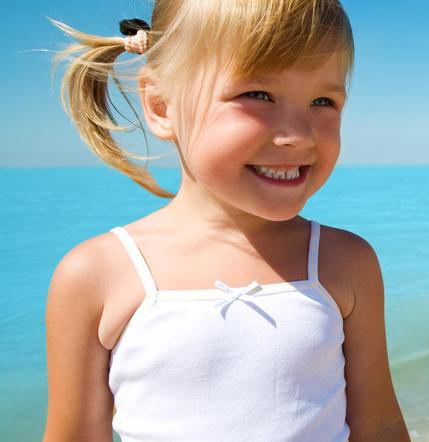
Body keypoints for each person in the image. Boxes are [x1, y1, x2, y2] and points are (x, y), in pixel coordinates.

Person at [42, 1, 409, 441]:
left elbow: (381, 426)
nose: (299, 135)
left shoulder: (345, 263)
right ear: (161, 106)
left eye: (322, 101)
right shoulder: (95, 276)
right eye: (258, 95)